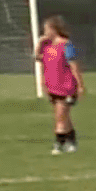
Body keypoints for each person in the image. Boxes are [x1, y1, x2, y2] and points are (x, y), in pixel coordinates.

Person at [37, 16, 85, 154]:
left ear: (54, 29)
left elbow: (74, 66)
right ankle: (71, 142)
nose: (45, 32)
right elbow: (37, 58)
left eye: (47, 28)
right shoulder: (47, 46)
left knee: (60, 116)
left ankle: (59, 143)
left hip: (66, 87)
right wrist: (40, 43)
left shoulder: (66, 45)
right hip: (53, 86)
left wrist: (80, 85)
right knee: (63, 116)